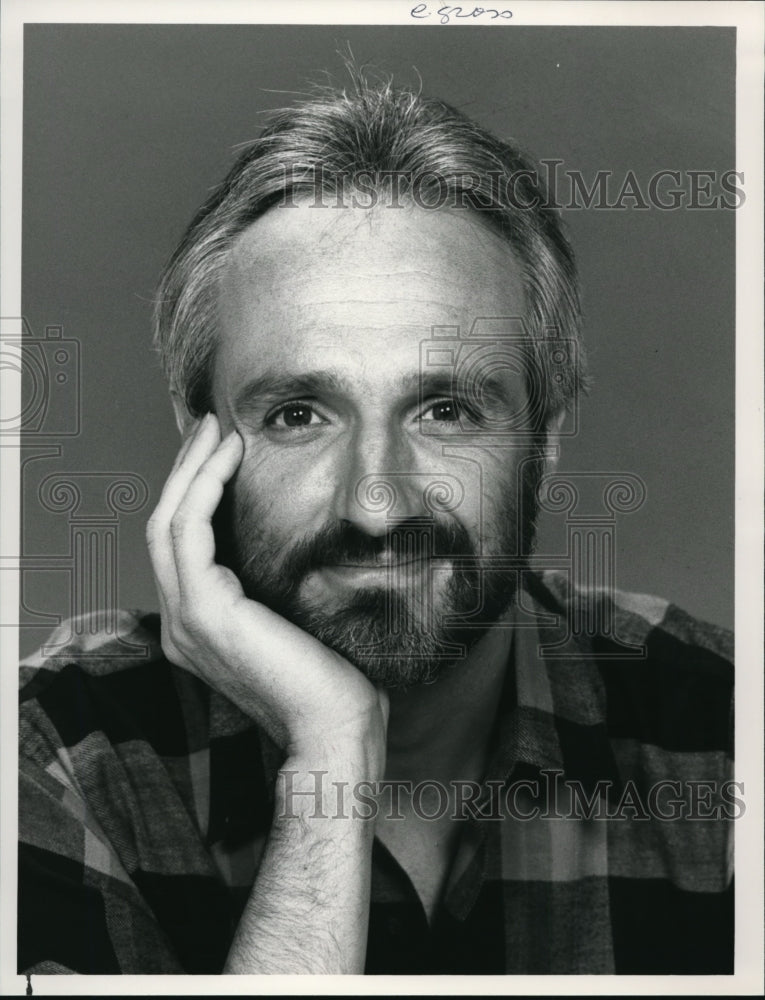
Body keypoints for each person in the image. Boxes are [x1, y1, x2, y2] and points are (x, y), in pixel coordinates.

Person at [18, 71, 734, 976]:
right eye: (298, 414)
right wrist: (333, 756)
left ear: (543, 443)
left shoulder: (723, 727)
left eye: (446, 411)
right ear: (199, 445)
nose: (376, 504)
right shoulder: (56, 751)